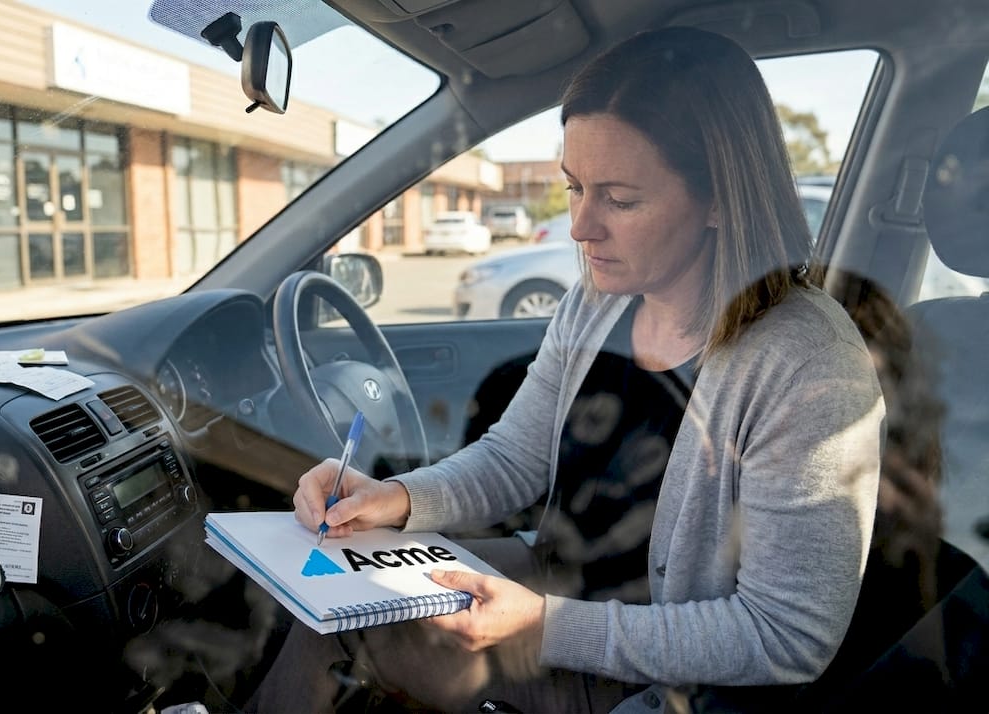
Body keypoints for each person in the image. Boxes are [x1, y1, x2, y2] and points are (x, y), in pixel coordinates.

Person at [248, 26, 883, 714]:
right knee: (328, 610)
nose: (580, 227)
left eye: (620, 199)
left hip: (665, 681)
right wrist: (396, 498)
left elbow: (788, 636)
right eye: (575, 187)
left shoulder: (808, 363)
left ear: (720, 200)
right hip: (550, 595)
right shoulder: (595, 303)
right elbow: (514, 459)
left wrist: (543, 625)